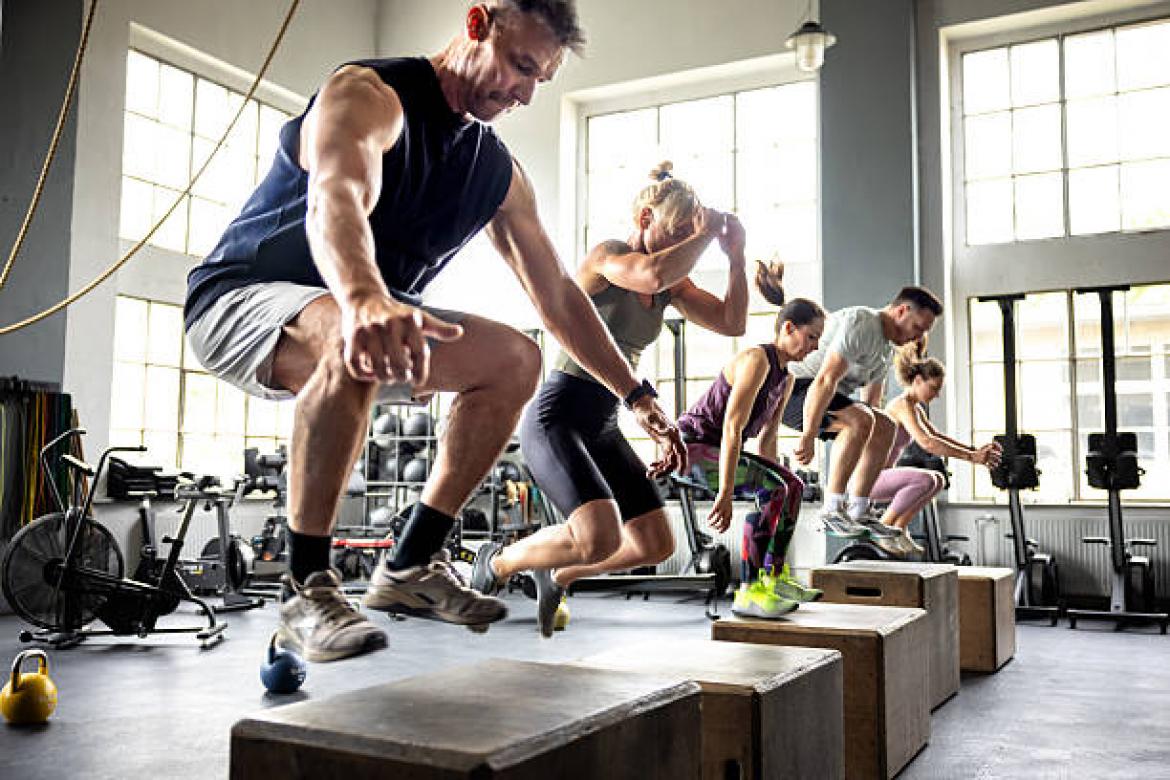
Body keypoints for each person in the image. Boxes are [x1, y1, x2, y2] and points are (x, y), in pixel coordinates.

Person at [183, 1, 687, 663]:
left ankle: (409, 566)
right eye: (519, 66)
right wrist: (363, 297)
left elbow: (560, 296)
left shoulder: (495, 172)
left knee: (515, 359)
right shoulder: (369, 96)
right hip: (243, 299)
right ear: (478, 24)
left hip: (369, 321)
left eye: (541, 79)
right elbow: (337, 194)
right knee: (346, 334)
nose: (526, 93)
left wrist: (636, 394)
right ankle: (307, 585)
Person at [470, 161, 748, 636]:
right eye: (677, 231)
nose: (686, 242)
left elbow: (731, 322)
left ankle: (557, 573)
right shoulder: (609, 258)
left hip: (603, 418)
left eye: (690, 233)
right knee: (598, 535)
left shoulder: (672, 286)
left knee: (654, 543)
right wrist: (705, 235)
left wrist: (736, 256)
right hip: (557, 413)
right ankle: (497, 562)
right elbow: (651, 275)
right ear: (645, 220)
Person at [676, 266, 826, 618]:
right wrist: (725, 492)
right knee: (773, 489)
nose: (815, 346)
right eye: (812, 337)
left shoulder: (786, 378)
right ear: (788, 328)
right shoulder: (757, 359)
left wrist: (781, 478)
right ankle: (750, 590)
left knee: (792, 485)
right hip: (690, 449)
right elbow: (732, 427)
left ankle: (774, 575)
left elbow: (767, 441)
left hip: (719, 450)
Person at [780, 287, 943, 543]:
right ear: (902, 310)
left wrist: (873, 455)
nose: (918, 337)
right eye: (918, 327)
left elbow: (872, 405)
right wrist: (808, 434)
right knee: (860, 420)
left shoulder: (886, 349)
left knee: (886, 424)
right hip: (793, 390)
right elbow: (825, 379)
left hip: (825, 395)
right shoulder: (862, 323)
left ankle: (859, 508)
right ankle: (832, 508)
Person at [869, 343, 1002, 555]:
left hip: (881, 478)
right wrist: (971, 457)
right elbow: (927, 442)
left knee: (938, 479)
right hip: (869, 480)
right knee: (926, 479)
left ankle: (898, 528)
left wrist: (974, 451)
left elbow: (936, 436)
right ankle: (883, 527)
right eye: (933, 388)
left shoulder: (914, 408)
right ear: (918, 381)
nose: (937, 395)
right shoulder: (901, 405)